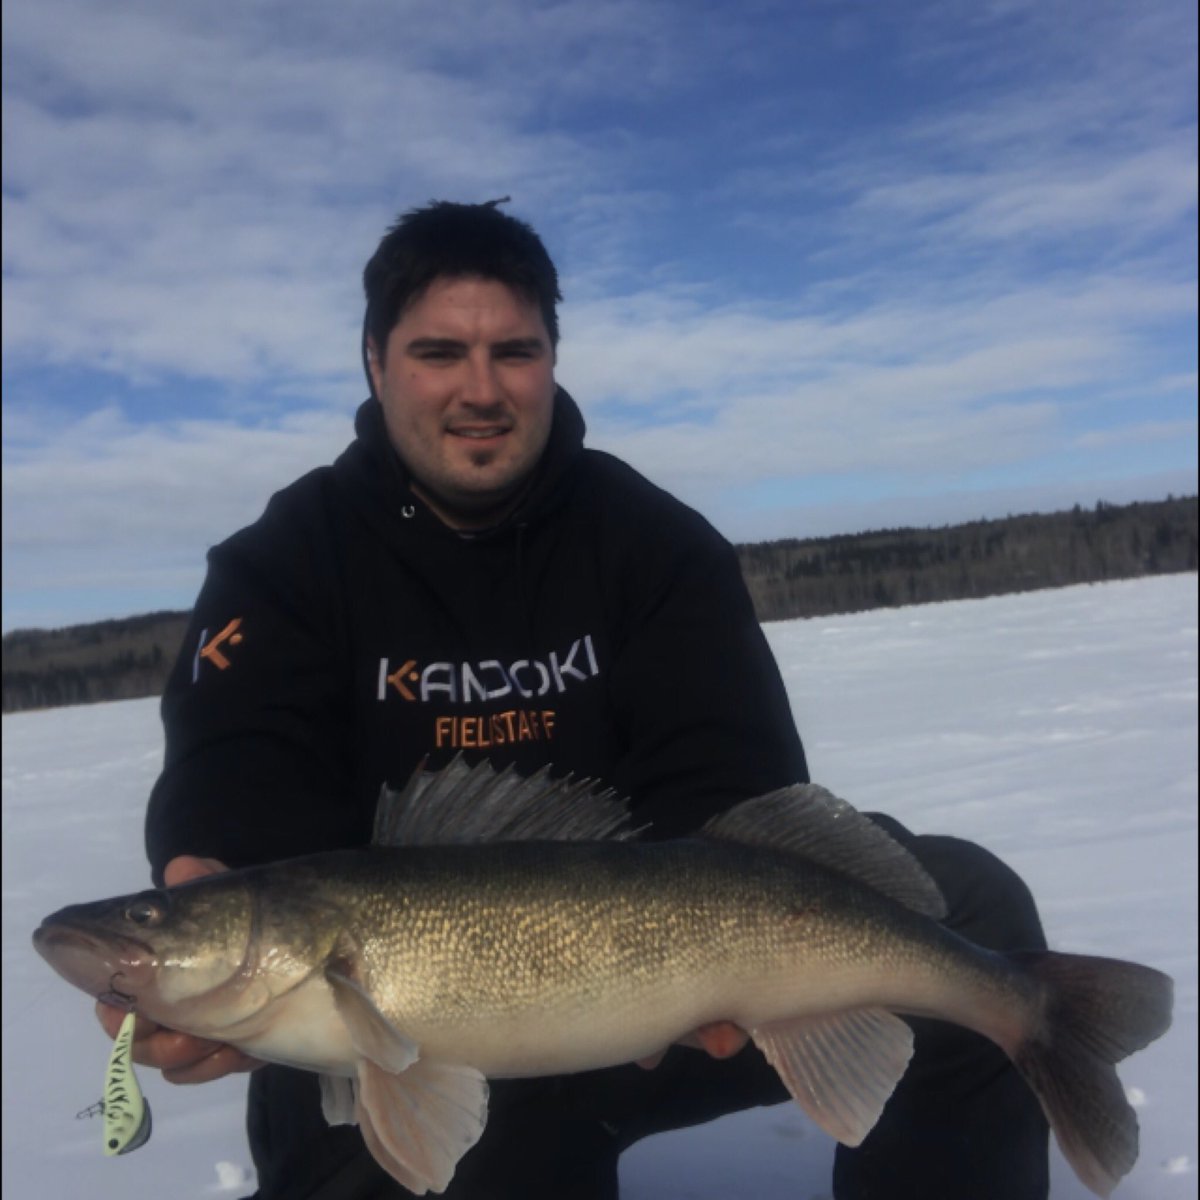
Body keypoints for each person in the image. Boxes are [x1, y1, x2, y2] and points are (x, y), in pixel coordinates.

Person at [98, 200, 1049, 1200]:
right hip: (388, 1025)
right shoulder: (284, 564)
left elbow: (735, 792)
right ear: (375, 364)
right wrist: (208, 877)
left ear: (552, 358)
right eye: (438, 352)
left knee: (968, 909)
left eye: (514, 351)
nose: (481, 389)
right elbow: (238, 771)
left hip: (652, 995)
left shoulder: (655, 545)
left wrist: (712, 985)